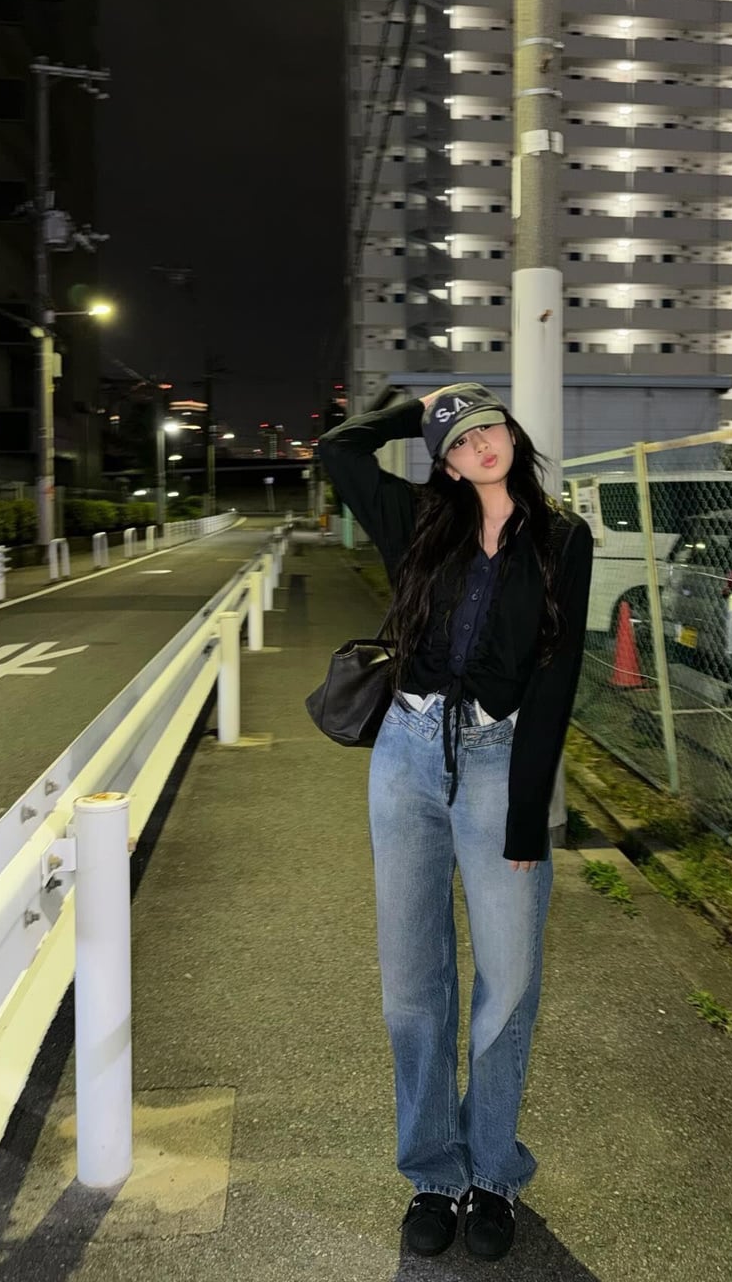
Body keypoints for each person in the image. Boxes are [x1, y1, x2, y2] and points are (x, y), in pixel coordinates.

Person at [318, 383, 592, 1263]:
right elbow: (337, 452)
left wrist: (527, 820)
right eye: (461, 440)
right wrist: (415, 410)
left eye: (488, 427)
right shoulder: (418, 521)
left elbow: (556, 677)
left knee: (507, 982)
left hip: (498, 762)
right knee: (412, 984)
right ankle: (435, 1173)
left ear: (511, 433)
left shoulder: (562, 538)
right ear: (443, 462)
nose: (481, 445)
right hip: (405, 758)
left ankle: (494, 1173)